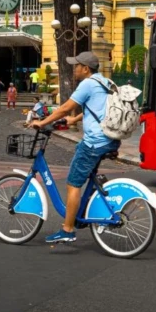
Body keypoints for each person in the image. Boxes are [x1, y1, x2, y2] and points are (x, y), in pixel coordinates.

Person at [30, 51, 119, 243]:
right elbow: (98, 109)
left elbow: (64, 107)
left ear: (86, 69)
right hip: (109, 139)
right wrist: (75, 119)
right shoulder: (104, 82)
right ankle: (85, 207)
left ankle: (68, 229)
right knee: (82, 156)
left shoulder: (87, 84)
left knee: (73, 183)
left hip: (95, 141)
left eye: (77, 66)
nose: (74, 69)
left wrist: (42, 122)